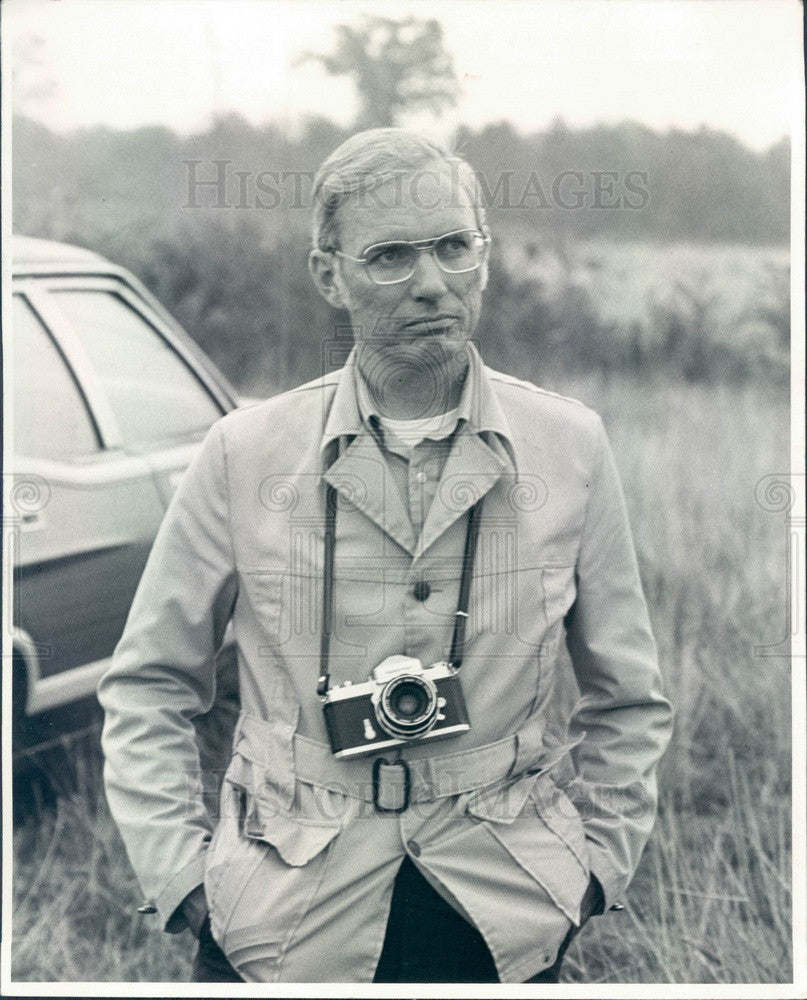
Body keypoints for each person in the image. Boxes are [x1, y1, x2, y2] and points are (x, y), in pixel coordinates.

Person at [98, 128, 673, 984]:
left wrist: (592, 873)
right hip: (283, 920)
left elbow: (627, 700)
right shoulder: (243, 453)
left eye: (453, 247)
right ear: (329, 275)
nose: (432, 283)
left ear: (484, 253)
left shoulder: (570, 448)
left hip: (502, 912)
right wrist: (183, 880)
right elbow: (148, 684)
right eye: (391, 257)